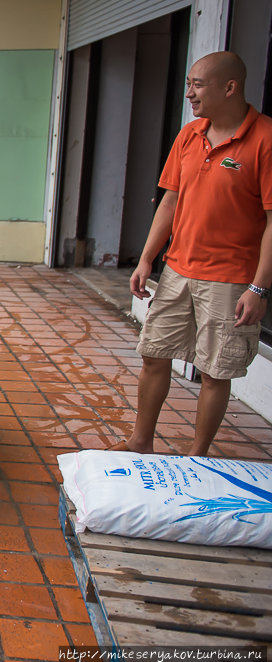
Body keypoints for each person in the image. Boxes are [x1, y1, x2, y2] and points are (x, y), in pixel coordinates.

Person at [113, 51, 272, 456]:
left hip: (231, 279)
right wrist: (148, 259)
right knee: (154, 355)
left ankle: (197, 456)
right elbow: (169, 201)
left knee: (215, 371)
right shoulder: (190, 135)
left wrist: (258, 288)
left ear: (230, 87)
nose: (189, 93)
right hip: (178, 270)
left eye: (197, 84)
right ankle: (140, 441)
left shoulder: (266, 139)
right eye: (188, 84)